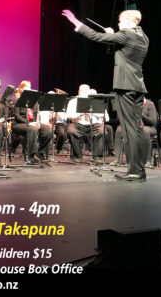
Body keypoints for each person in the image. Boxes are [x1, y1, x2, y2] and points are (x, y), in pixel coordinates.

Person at [62, 9, 149, 182]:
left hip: (125, 86)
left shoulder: (126, 34)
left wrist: (75, 22)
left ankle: (135, 171)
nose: (119, 24)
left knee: (129, 130)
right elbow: (125, 48)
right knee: (137, 129)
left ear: (128, 20)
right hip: (138, 86)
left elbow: (96, 36)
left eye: (120, 21)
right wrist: (113, 34)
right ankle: (139, 169)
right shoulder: (143, 36)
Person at [66, 84, 108, 163]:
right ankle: (78, 156)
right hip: (78, 124)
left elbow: (104, 115)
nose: (84, 92)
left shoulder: (96, 101)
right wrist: (80, 114)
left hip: (94, 124)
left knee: (102, 131)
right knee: (71, 131)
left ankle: (97, 157)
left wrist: (93, 112)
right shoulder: (73, 102)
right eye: (82, 91)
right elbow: (68, 115)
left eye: (86, 91)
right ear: (79, 91)